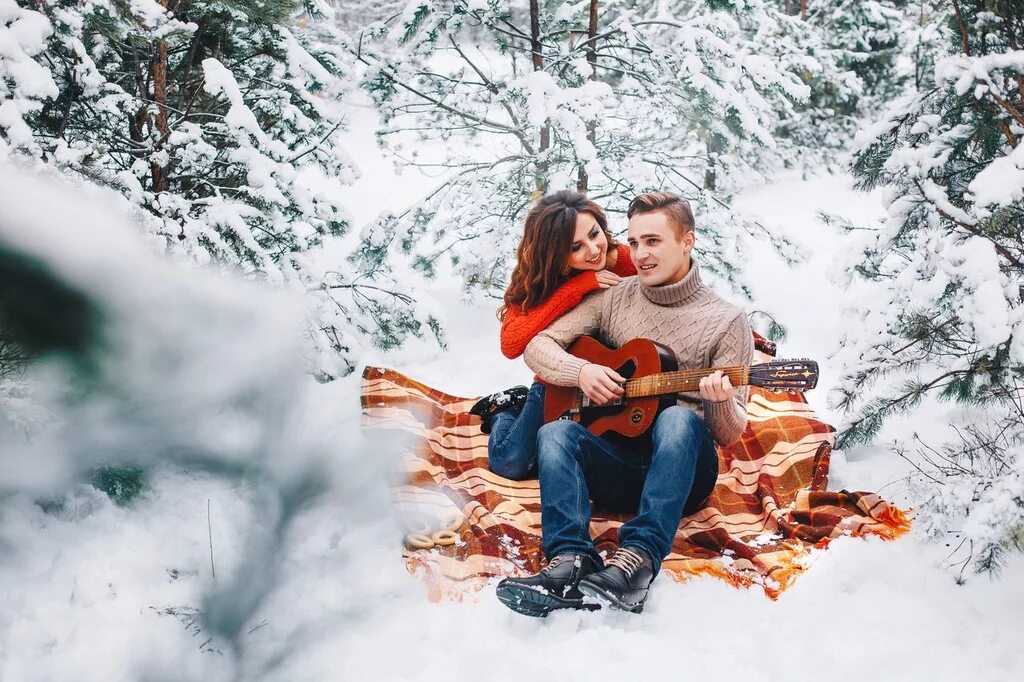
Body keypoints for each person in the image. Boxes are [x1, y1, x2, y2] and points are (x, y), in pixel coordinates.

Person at [495, 192, 753, 616]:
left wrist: (719, 404)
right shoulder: (616, 295)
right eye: (633, 243)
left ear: (687, 241)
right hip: (618, 461)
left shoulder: (726, 320)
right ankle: (569, 562)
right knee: (554, 431)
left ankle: (636, 562)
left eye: (652, 241)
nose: (640, 255)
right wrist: (581, 373)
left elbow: (728, 433)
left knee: (678, 419)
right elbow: (537, 346)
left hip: (683, 474)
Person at [469, 190, 636, 480]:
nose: (593, 250)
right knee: (511, 462)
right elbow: (511, 344)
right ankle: (507, 411)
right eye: (575, 248)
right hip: (556, 377)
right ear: (554, 255)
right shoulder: (541, 278)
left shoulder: (625, 261)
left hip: (614, 379)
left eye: (594, 234)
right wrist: (579, 286)